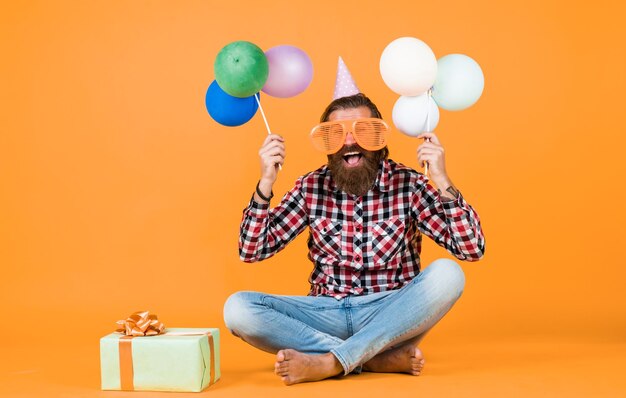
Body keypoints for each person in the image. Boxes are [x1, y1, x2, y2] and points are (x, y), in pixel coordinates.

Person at [224, 59, 485, 386]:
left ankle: (332, 361)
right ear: (327, 145)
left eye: (364, 131)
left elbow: (471, 249)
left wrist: (442, 179)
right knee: (238, 309)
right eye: (336, 134)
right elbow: (252, 251)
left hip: (390, 314)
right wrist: (265, 183)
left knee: (449, 274)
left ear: (380, 138)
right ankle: (373, 359)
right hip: (324, 314)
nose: (350, 141)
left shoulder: (409, 185)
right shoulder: (311, 187)